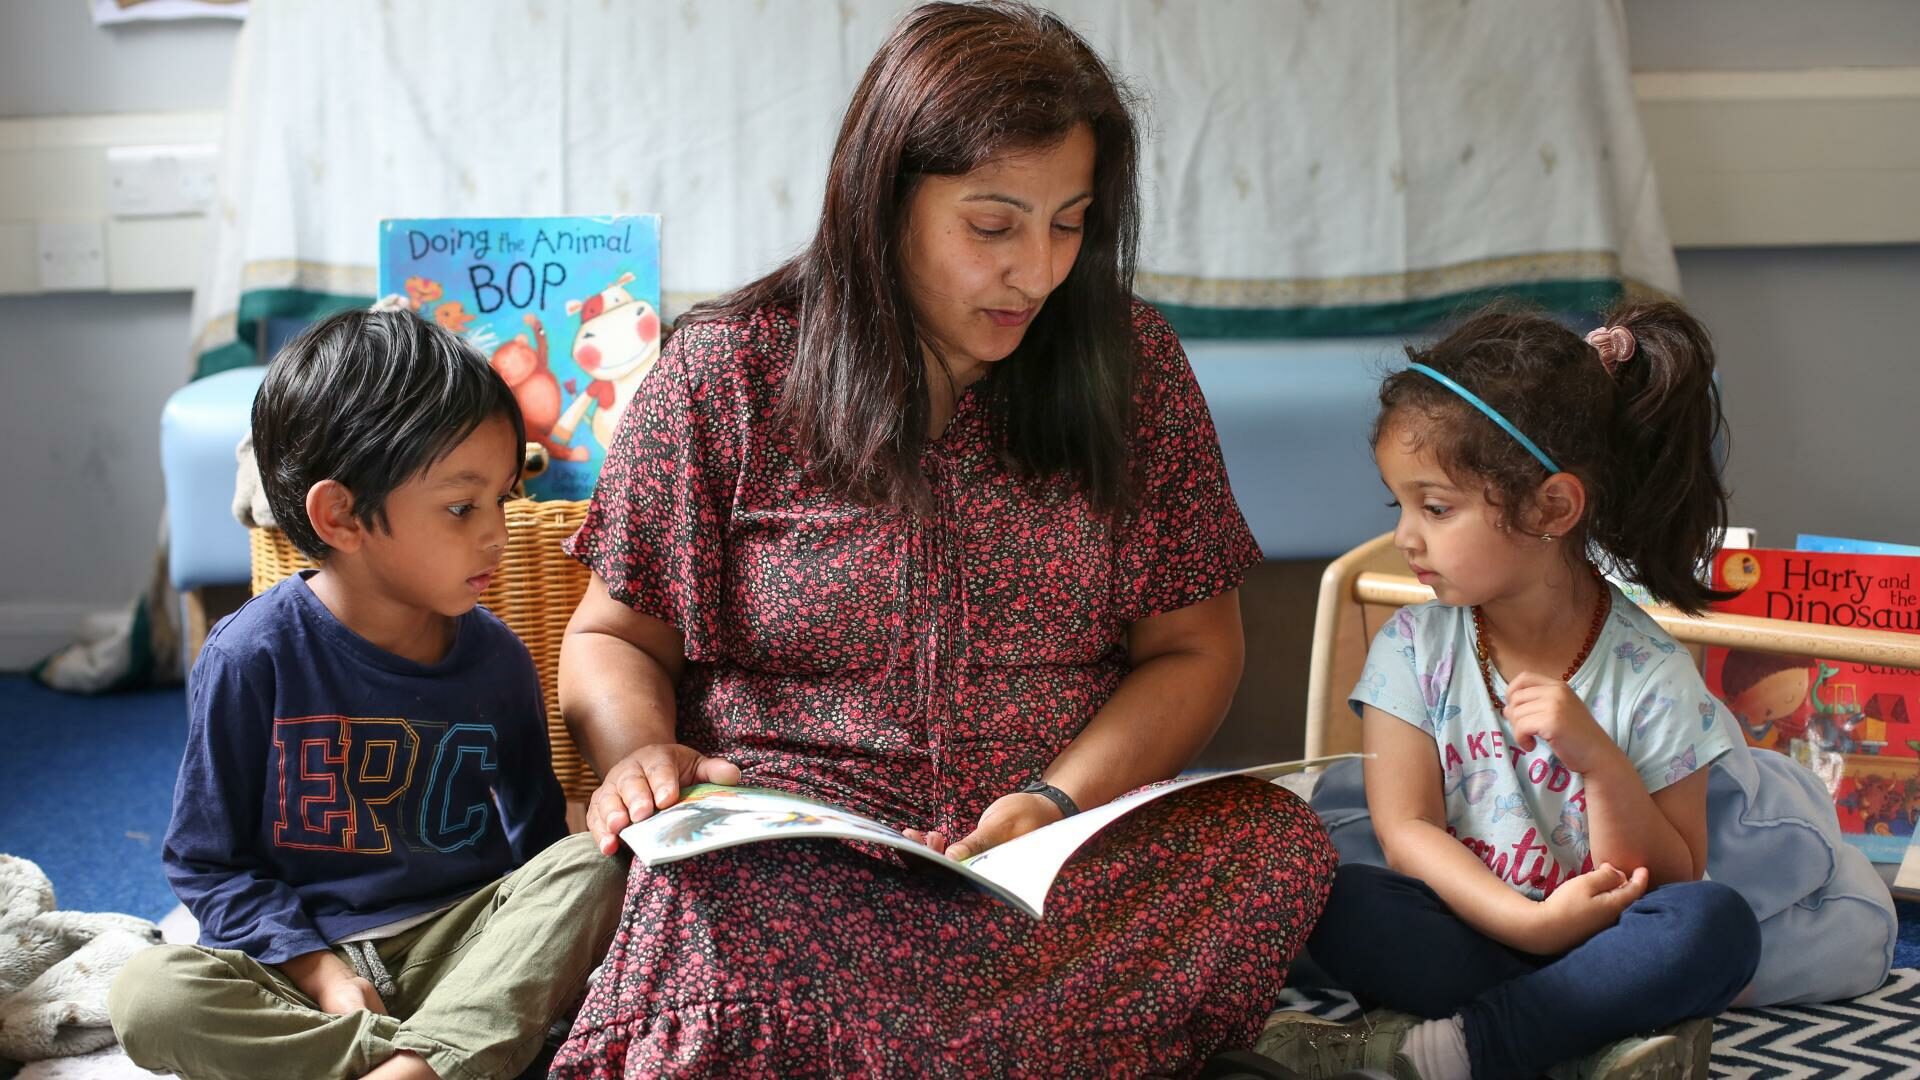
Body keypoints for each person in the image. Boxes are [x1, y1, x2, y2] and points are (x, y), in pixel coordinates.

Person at [548, 2, 1338, 1075]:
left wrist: (1053, 802)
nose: (1039, 272)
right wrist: (639, 753)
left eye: (1071, 224)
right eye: (993, 225)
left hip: (1052, 856)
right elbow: (614, 638)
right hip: (801, 860)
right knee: (705, 901)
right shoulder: (727, 371)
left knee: (1273, 849)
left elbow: (1194, 650)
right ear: (885, 201)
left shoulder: (1131, 365)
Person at [107, 309, 627, 1080]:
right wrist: (321, 972)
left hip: (462, 945)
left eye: (503, 498)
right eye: (462, 507)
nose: (497, 533)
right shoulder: (252, 657)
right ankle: (439, 1060)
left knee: (595, 867)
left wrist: (572, 908)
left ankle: (433, 1054)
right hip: (306, 964)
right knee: (149, 996)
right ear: (340, 516)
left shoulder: (499, 659)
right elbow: (207, 863)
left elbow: (540, 845)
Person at [1256, 303, 1764, 1079]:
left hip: (1610, 941)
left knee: (1716, 926)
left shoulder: (1650, 671)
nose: (1406, 538)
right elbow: (1407, 831)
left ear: (1550, 508)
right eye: (1400, 506)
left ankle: (1468, 1046)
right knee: (1341, 897)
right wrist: (1528, 926)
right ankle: (1582, 1035)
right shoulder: (1411, 647)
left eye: (1437, 508)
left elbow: (1671, 876)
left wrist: (1598, 761)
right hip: (1478, 926)